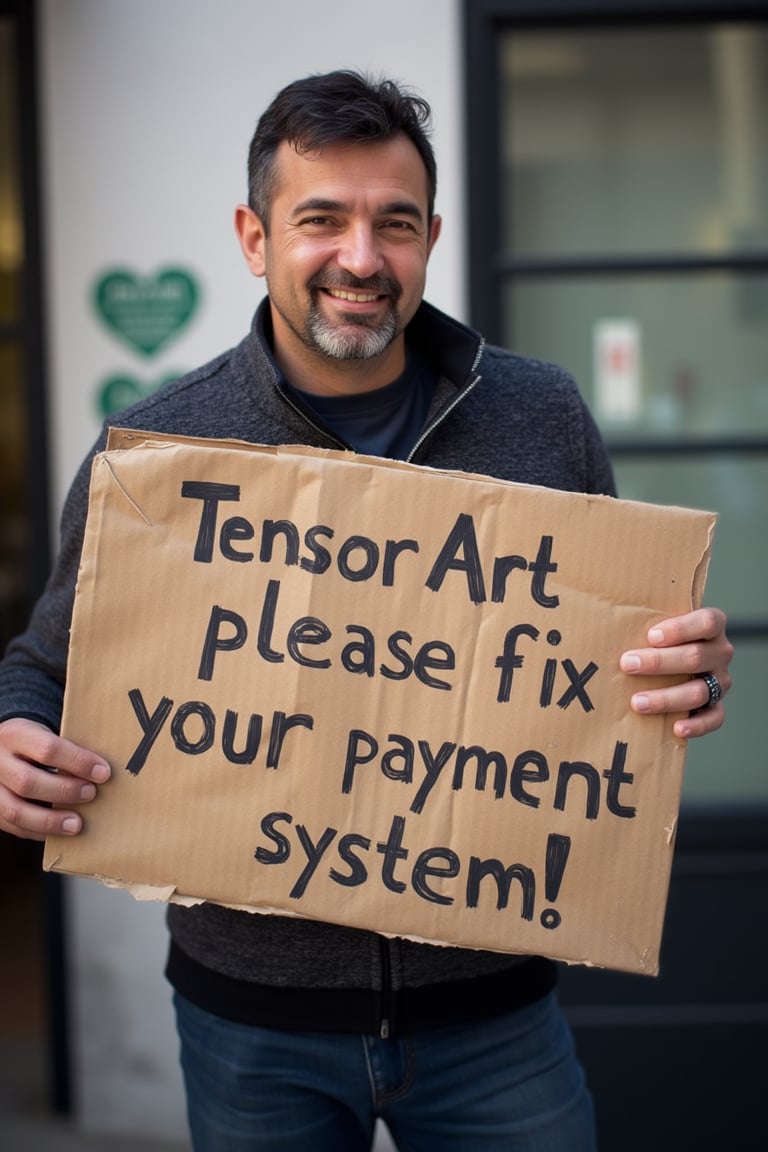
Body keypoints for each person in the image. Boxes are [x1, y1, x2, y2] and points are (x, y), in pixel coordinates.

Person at [0, 70, 733, 1152]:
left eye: (393, 222)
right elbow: (41, 662)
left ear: (430, 235)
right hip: (250, 1022)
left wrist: (686, 672)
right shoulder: (157, 454)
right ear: (255, 237)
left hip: (496, 1017)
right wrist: (13, 732)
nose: (360, 257)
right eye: (321, 220)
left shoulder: (542, 416)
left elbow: (612, 662)